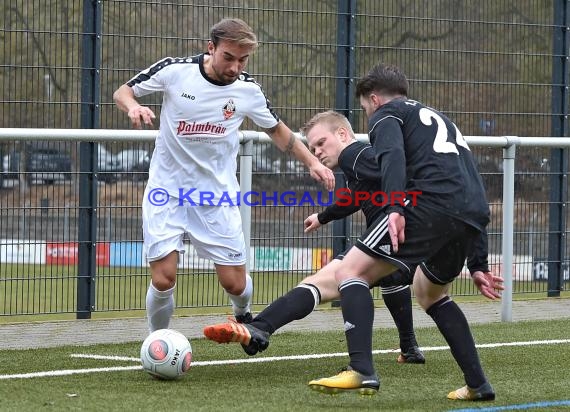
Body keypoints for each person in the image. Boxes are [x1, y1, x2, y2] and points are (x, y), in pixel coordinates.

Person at [112, 18, 335, 334]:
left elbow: (277, 130)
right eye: (229, 57)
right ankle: (156, 342)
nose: (235, 66)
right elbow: (122, 91)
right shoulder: (176, 72)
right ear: (211, 47)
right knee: (163, 278)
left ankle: (242, 313)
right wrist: (133, 107)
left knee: (235, 283)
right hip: (166, 192)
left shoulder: (248, 91)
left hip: (216, 196)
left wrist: (312, 163)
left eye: (242, 59)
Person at [306, 64, 504, 401]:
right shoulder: (440, 120)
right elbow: (470, 186)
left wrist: (395, 208)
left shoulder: (386, 114)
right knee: (429, 292)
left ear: (374, 99)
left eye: (365, 109)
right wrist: (478, 262)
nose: (367, 115)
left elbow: (391, 158)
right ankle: (478, 384)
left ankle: (361, 370)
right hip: (470, 212)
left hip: (427, 206)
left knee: (349, 271)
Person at [203, 110, 427, 364]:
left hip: (397, 233)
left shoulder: (354, 154)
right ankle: (409, 348)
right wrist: (323, 216)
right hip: (417, 237)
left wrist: (401, 204)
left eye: (321, 143)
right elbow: (358, 195)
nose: (317, 151)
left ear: (342, 134)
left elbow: (393, 170)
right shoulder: (359, 164)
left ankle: (260, 327)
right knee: (396, 282)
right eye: (312, 147)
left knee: (321, 281)